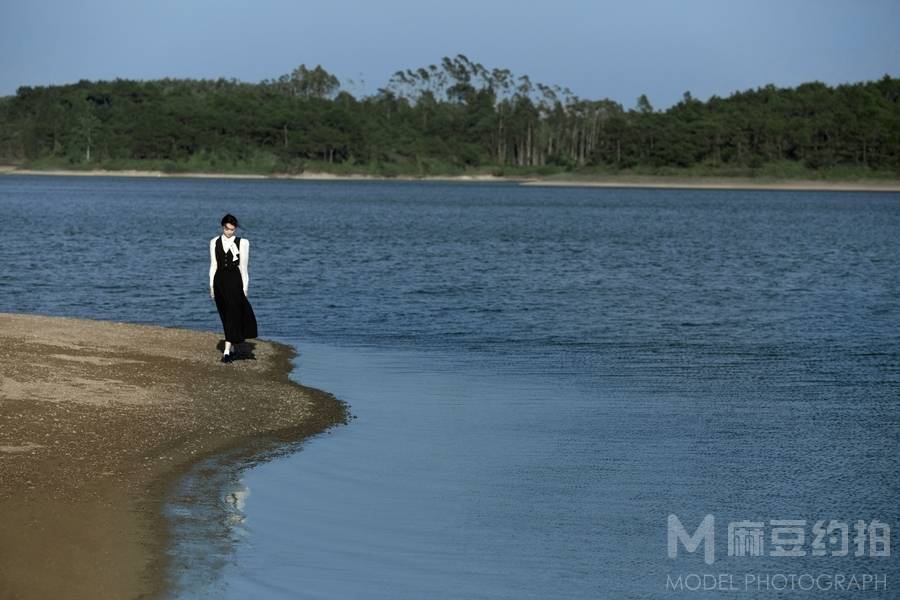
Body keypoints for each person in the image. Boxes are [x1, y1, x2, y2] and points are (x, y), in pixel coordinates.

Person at [209, 214, 257, 363]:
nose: (229, 232)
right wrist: (211, 285)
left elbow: (243, 267)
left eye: (232, 229)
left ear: (235, 229)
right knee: (225, 315)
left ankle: (227, 351)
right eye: (227, 228)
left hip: (235, 282)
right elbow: (213, 265)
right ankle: (233, 348)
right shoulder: (214, 242)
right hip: (219, 282)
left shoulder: (243, 243)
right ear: (222, 226)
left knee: (233, 314)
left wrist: (245, 287)